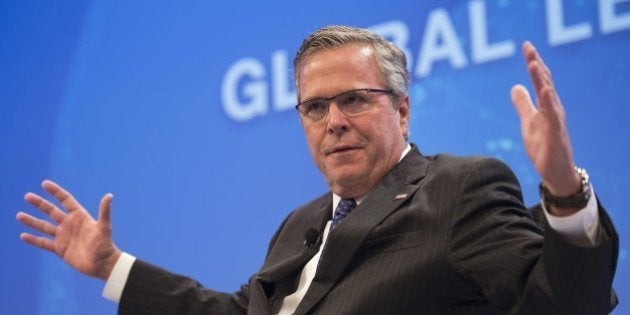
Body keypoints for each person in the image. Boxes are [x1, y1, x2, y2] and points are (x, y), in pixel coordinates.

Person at [17, 25, 617, 314]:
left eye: (354, 99)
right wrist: (110, 266)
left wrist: (564, 193)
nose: (333, 121)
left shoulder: (457, 189)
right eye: (315, 107)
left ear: (402, 110)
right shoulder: (300, 224)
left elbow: (564, 305)